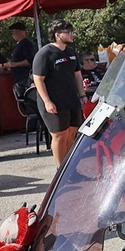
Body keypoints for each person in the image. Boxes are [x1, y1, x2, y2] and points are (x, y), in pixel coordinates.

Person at [32, 20, 85, 164]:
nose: (71, 35)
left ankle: (68, 168)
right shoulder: (44, 54)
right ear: (57, 35)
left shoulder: (71, 52)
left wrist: (82, 95)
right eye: (67, 32)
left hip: (71, 99)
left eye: (71, 32)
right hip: (54, 100)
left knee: (71, 133)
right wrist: (47, 102)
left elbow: (78, 75)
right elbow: (38, 80)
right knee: (59, 136)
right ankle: (60, 171)